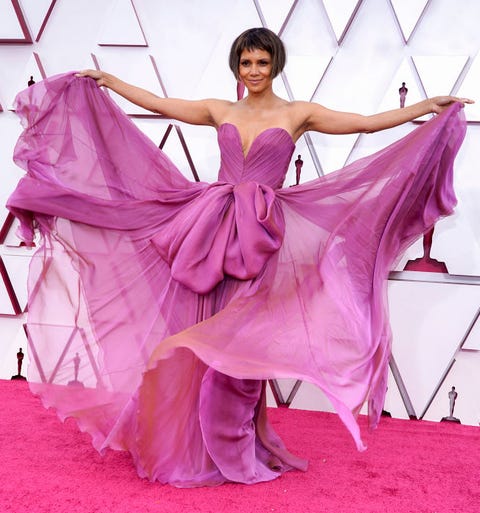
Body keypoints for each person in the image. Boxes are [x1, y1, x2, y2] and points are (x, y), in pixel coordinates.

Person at [7, 28, 471, 487]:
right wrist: (110, 81)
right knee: (201, 322)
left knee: (242, 335)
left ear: (275, 66)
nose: (254, 71)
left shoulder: (298, 113)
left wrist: (426, 108)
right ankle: (190, 443)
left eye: (262, 63)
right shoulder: (220, 109)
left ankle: (233, 441)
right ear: (237, 66)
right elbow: (160, 105)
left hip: (262, 235)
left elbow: (365, 123)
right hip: (212, 228)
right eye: (246, 63)